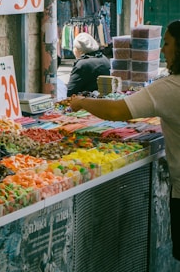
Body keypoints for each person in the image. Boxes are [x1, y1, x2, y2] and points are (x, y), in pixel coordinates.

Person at [70, 19, 180, 261]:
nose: (163, 50)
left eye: (167, 43)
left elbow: (117, 111)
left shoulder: (170, 88)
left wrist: (81, 102)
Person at [66, 32, 110, 96]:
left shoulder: (82, 64)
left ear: (78, 50)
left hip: (88, 101)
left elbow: (70, 90)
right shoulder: (103, 58)